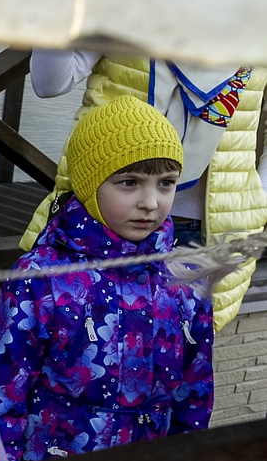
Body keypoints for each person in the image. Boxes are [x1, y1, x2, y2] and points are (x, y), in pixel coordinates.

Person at [0, 96, 213, 461]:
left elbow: (195, 393)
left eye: (166, 183)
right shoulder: (40, 279)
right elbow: (3, 394)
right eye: (129, 182)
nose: (151, 202)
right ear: (90, 184)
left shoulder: (187, 282)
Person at [21, 49, 267, 331]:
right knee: (75, 350)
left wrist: (259, 198)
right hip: (101, 221)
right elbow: (49, 82)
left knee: (179, 361)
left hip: (209, 233)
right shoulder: (130, 4)